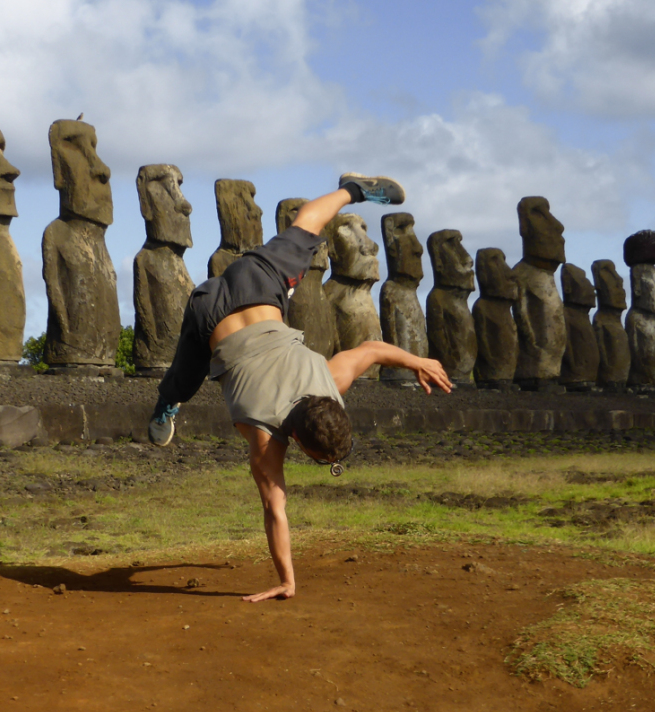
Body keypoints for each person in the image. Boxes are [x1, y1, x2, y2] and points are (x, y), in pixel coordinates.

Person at [148, 174, 453, 602]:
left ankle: (353, 191)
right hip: (209, 315)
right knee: (183, 382)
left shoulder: (328, 382)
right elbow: (275, 511)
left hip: (255, 284)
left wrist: (418, 360)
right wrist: (287, 581)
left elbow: (371, 349)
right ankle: (166, 405)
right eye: (315, 459)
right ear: (299, 444)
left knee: (307, 225)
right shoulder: (264, 439)